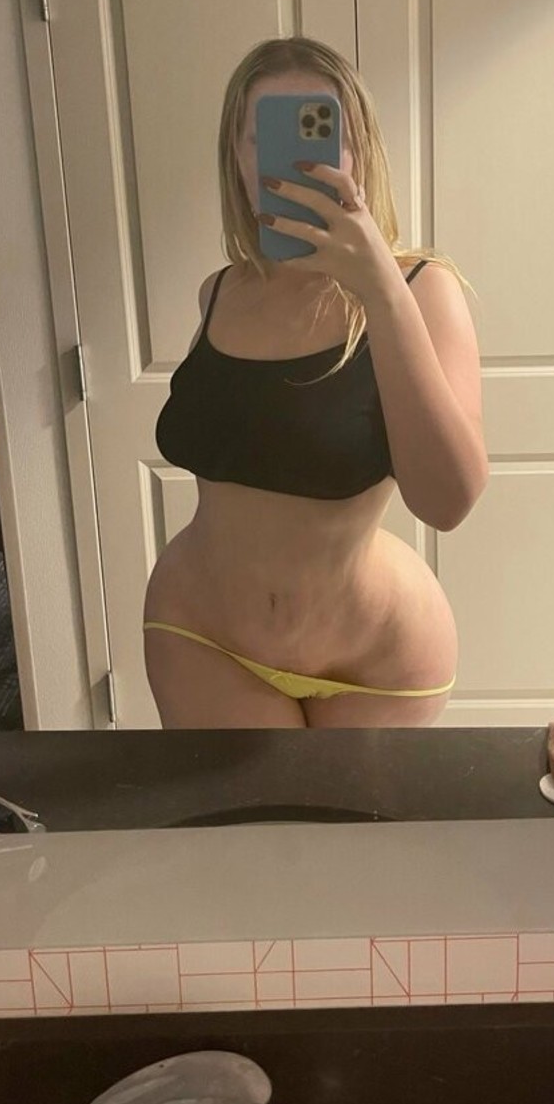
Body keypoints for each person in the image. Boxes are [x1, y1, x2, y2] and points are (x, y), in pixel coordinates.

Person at [143, 36, 487, 728]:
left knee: (350, 812)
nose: (296, 161)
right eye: (265, 136)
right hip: (201, 636)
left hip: (377, 659)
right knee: (236, 810)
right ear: (238, 155)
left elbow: (448, 500)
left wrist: (380, 290)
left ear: (358, 152)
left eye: (325, 135)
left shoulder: (421, 290)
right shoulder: (218, 293)